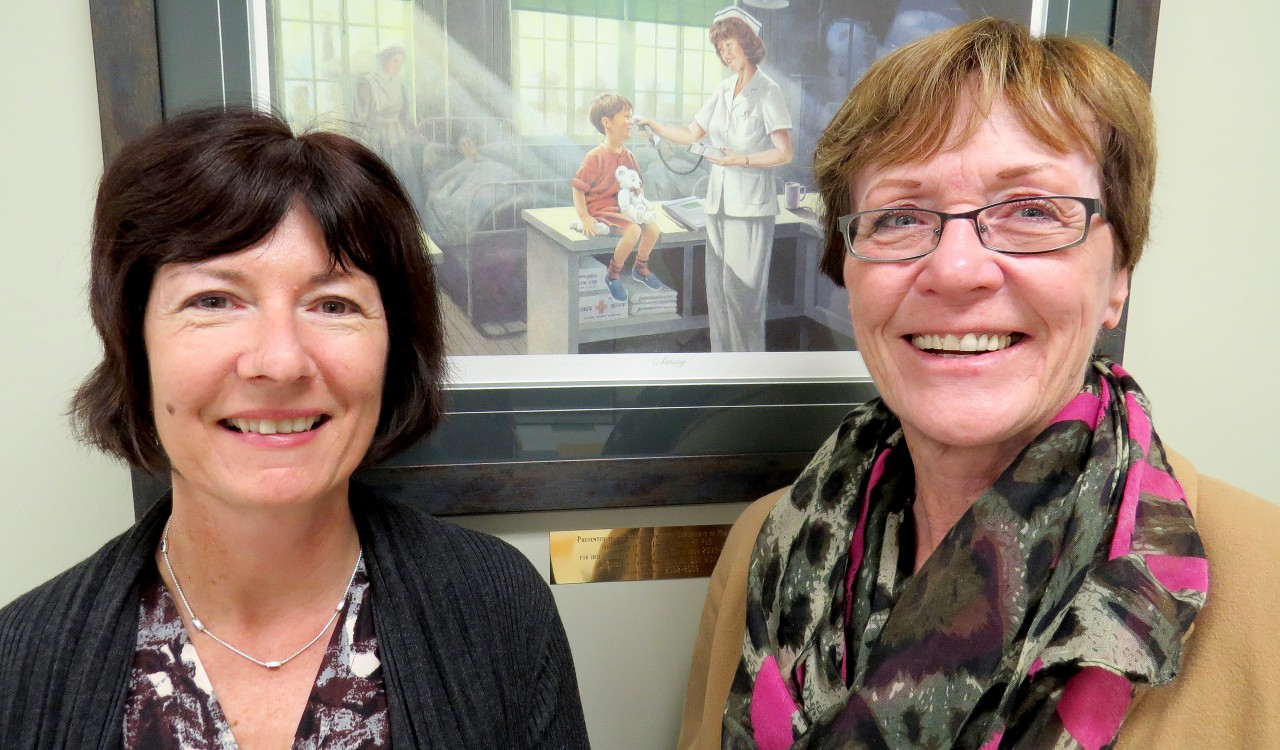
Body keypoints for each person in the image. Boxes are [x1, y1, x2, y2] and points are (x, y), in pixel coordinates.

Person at [678, 18, 1280, 749]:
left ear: (1119, 275)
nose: (957, 270)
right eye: (899, 215)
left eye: (1031, 210)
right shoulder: (764, 545)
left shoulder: (1266, 591)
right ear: (848, 273)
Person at [0, 107, 590, 749]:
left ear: (393, 347)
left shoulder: (498, 611)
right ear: (134, 344)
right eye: (213, 301)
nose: (279, 361)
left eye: (333, 304)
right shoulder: (20, 664)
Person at [637, 7, 792, 352]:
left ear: (747, 43)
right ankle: (724, 366)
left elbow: (784, 152)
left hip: (750, 208)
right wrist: (659, 129)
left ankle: (748, 370)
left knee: (743, 296)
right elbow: (693, 132)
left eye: (729, 45)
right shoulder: (722, 90)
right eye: (720, 48)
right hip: (718, 203)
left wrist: (744, 159)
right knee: (719, 294)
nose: (725, 53)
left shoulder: (768, 91)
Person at [572, 93, 664, 302]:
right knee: (632, 231)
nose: (631, 122)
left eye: (631, 116)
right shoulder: (595, 155)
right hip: (603, 209)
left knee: (653, 230)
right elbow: (578, 188)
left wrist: (638, 195)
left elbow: (637, 183)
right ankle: (613, 275)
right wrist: (585, 217)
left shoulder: (629, 155)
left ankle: (640, 267)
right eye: (626, 116)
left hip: (624, 208)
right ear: (607, 122)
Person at [354, 42, 424, 208]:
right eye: (395, 61)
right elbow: (359, 118)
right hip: (374, 135)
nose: (398, 66)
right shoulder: (367, 83)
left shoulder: (399, 84)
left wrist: (415, 131)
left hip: (397, 135)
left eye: (401, 62)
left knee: (404, 176)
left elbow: (404, 115)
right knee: (378, 177)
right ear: (384, 61)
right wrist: (363, 142)